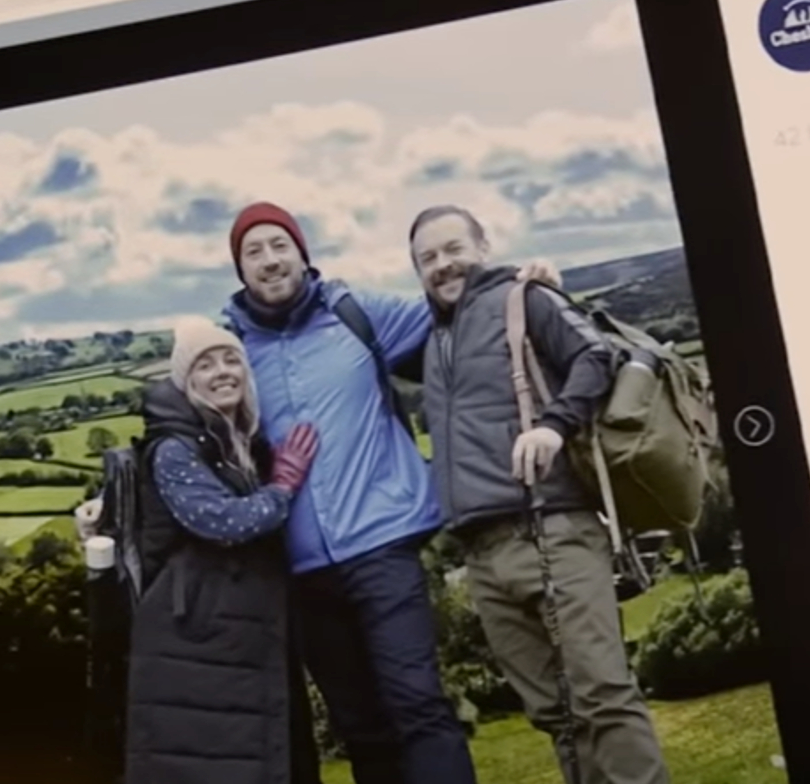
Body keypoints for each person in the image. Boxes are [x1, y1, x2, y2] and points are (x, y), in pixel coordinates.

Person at [218, 202, 561, 784]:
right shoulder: (229, 351)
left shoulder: (357, 313)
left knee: (417, 705)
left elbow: (461, 304)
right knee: (360, 727)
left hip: (383, 545)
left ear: (303, 253)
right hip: (299, 569)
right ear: (240, 270)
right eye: (254, 251)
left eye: (280, 245)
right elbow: (183, 423)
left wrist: (524, 286)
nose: (270, 260)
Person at [410, 204, 670, 784]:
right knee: (557, 715)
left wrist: (553, 424)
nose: (443, 265)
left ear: (483, 247)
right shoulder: (433, 339)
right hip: (481, 555)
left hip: (551, 526)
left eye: (454, 248)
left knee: (603, 694)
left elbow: (595, 355)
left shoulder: (525, 299)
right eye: (427, 258)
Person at [123, 317, 323, 784]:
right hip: (196, 635)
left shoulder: (236, 443)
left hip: (239, 628)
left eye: (231, 359)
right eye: (205, 365)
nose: (222, 371)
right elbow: (222, 523)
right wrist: (283, 488)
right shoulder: (174, 449)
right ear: (185, 381)